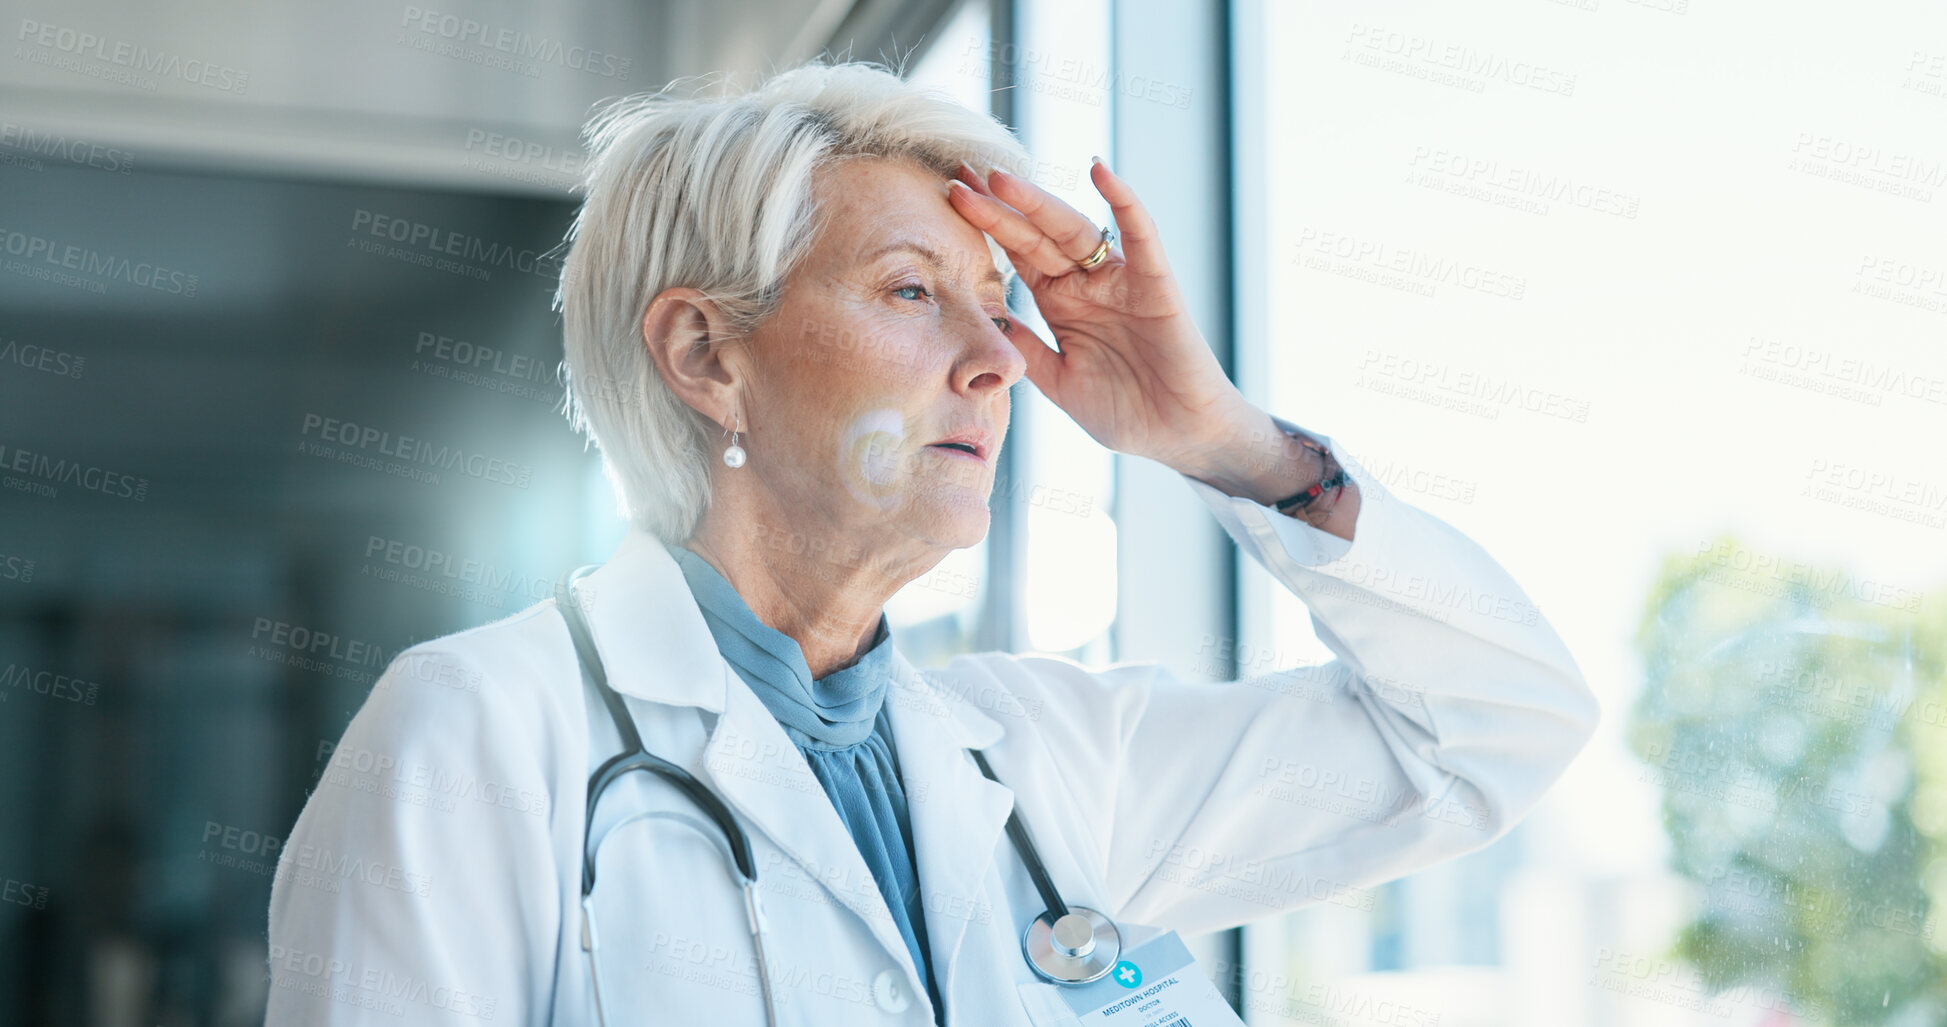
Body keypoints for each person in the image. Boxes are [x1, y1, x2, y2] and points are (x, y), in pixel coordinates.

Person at [264, 60, 1598, 1025]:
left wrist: (1226, 441)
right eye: (913, 290)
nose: (997, 362)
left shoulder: (1049, 754)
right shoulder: (482, 734)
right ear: (706, 354)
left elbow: (1495, 727)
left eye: (999, 303)